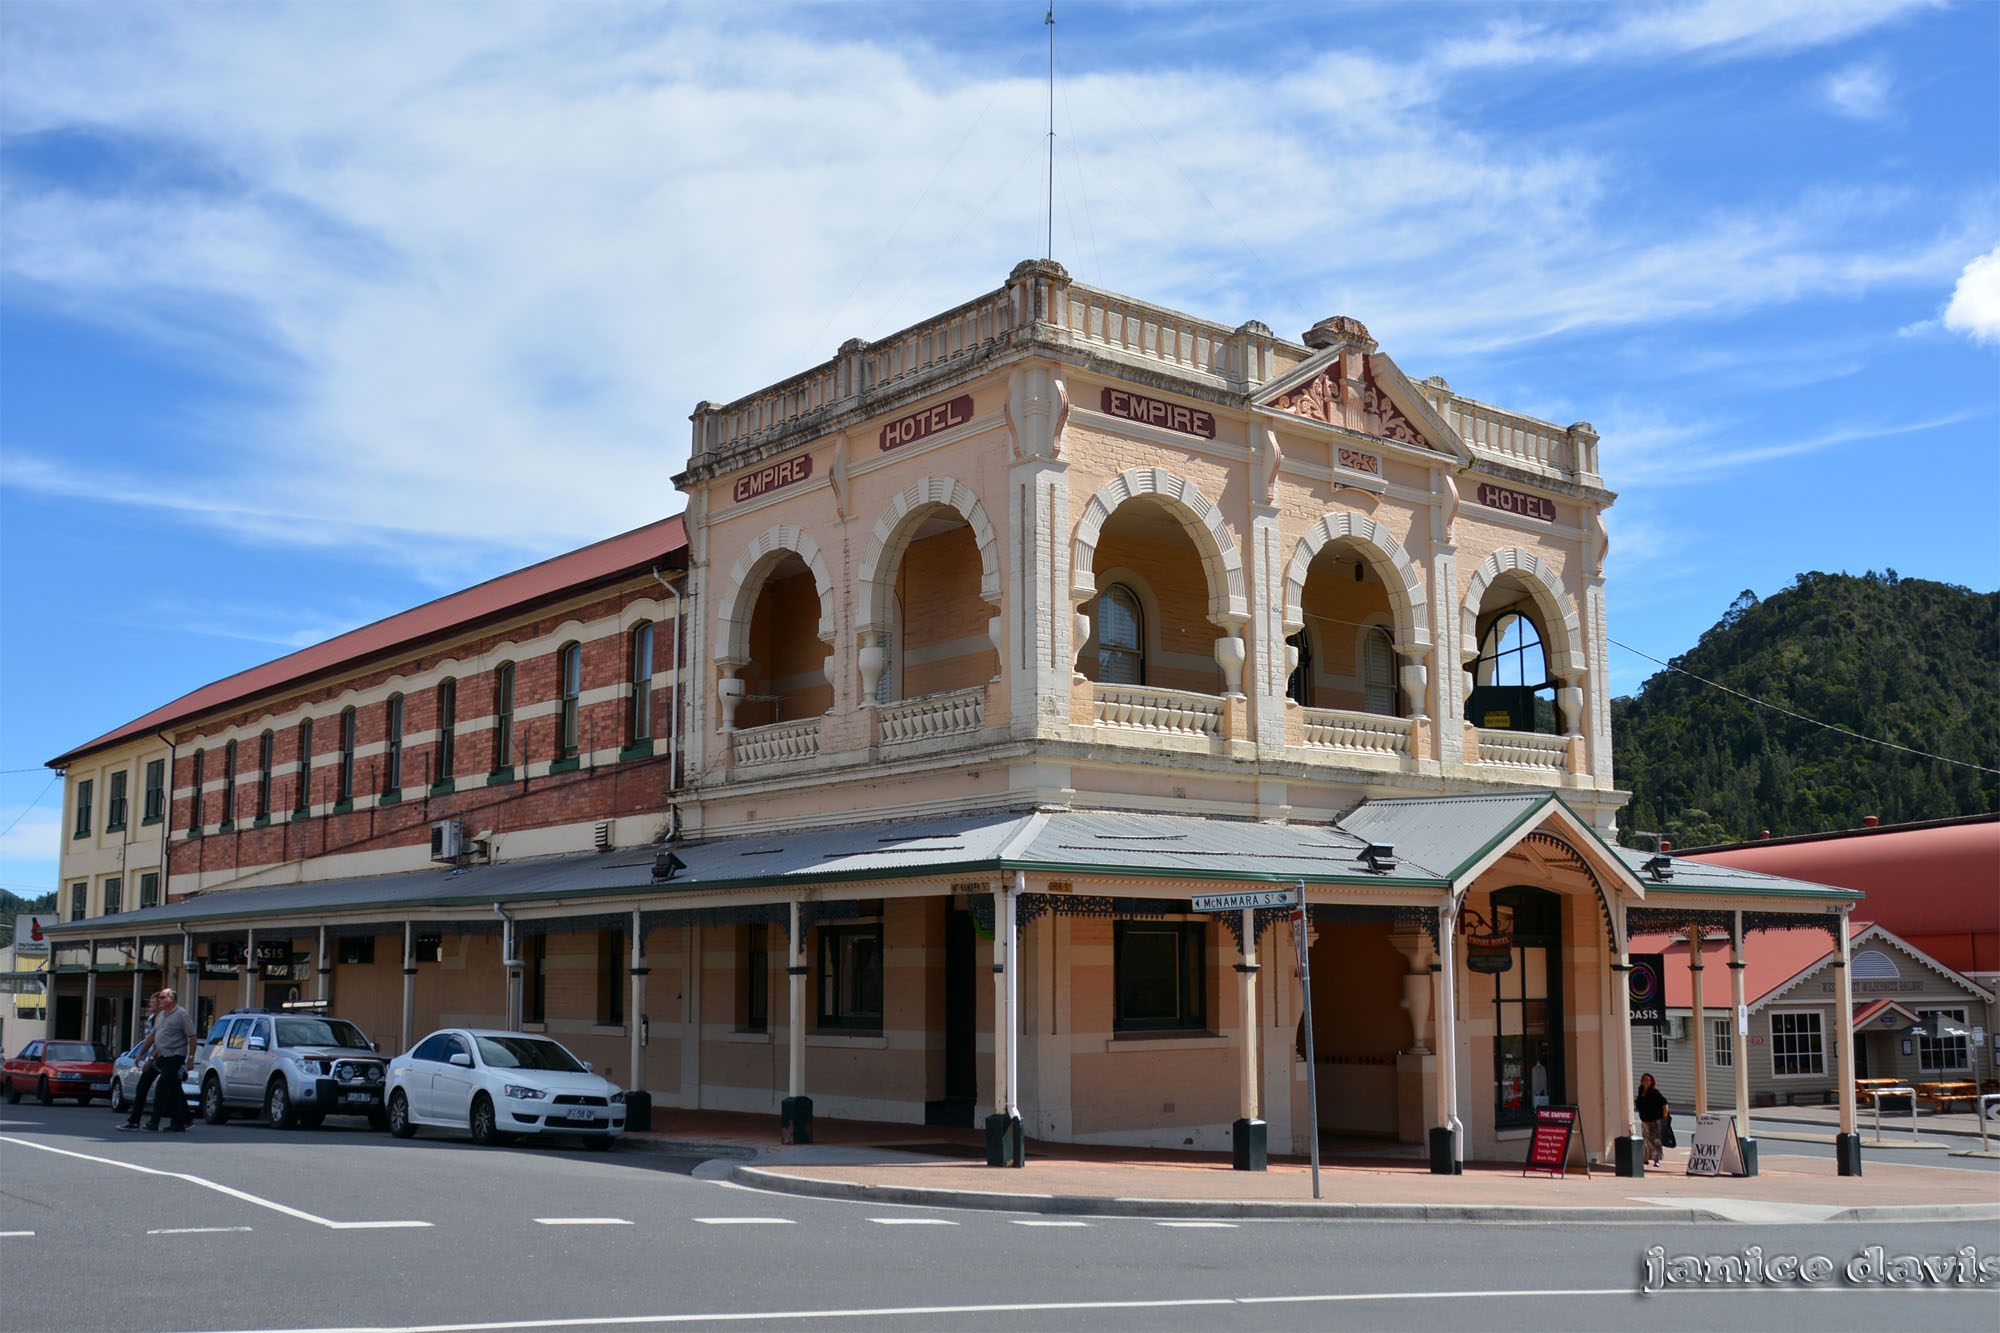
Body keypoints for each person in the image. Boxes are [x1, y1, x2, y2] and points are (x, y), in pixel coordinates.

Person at [145, 987, 198, 1132]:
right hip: (163, 1057)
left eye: (163, 997)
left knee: (162, 1087)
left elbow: (192, 1036)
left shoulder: (181, 1014)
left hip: (175, 1056)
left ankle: (154, 1121)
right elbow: (153, 1037)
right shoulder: (161, 1015)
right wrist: (145, 1056)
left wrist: (191, 1059)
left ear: (171, 999)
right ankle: (180, 1122)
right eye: (160, 998)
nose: (160, 1000)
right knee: (174, 1090)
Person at [117, 991, 165, 1131]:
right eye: (150, 1001)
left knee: (170, 1090)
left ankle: (179, 1120)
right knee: (142, 1087)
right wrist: (140, 1054)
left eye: (153, 1002)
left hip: (165, 1058)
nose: (150, 1004)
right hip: (154, 1058)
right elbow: (149, 1039)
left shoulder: (165, 1019)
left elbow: (162, 1043)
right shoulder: (151, 1019)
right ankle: (134, 1120)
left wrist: (150, 1059)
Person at [1636, 1072, 1670, 1166]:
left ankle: (1656, 1160)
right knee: (1646, 1140)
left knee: (1656, 1140)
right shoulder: (1640, 1091)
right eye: (1644, 1080)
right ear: (1642, 1081)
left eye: (1648, 1080)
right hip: (1645, 1120)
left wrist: (1664, 1117)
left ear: (1651, 1082)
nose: (1646, 1081)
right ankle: (1645, 1158)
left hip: (1655, 1120)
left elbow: (1664, 1103)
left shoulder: (1655, 1092)